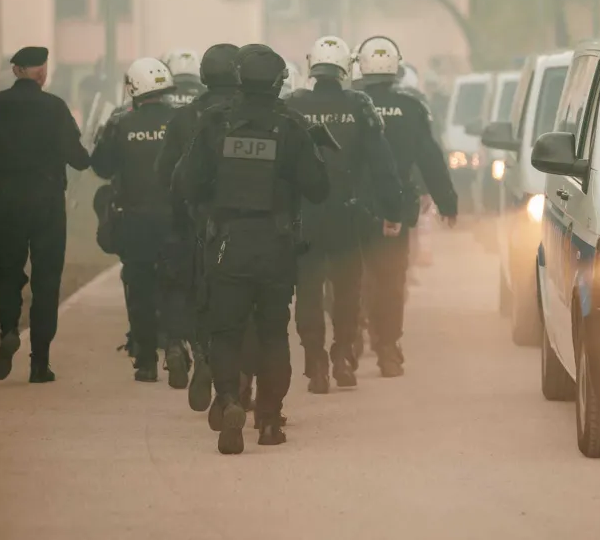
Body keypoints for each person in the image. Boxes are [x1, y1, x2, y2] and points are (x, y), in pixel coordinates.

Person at [175, 45, 330, 453]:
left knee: (225, 332)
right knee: (273, 333)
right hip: (276, 247)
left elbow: (184, 185)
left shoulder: (214, 124)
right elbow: (318, 189)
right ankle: (269, 420)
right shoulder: (292, 126)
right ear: (280, 83)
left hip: (226, 244)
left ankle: (228, 400)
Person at [0, 46, 90, 383]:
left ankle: (8, 328)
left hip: (8, 200)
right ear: (42, 73)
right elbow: (79, 159)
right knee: (47, 280)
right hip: (48, 201)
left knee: (6, 269)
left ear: (16, 71)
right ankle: (39, 362)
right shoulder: (55, 108)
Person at [285, 36, 403, 393]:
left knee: (307, 290)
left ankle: (315, 362)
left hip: (304, 216)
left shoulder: (292, 106)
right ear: (346, 68)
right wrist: (392, 209)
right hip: (346, 215)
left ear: (312, 67)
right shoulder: (359, 105)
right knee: (348, 290)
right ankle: (341, 355)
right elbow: (383, 165)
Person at [355, 37, 458, 376]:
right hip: (394, 207)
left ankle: (350, 341)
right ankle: (387, 348)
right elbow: (430, 157)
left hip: (350, 206)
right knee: (391, 279)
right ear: (396, 67)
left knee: (350, 275)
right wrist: (447, 201)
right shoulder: (411, 107)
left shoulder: (349, 103)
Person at [91, 57, 190, 385]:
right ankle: (176, 343)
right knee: (177, 285)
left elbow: (102, 168)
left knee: (140, 290)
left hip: (135, 221)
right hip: (175, 219)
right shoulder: (181, 120)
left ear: (133, 88)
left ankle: (146, 360)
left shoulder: (121, 123)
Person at [155, 43, 240, 411]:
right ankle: (233, 378)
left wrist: (179, 221)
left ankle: (201, 352)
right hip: (241, 224)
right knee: (238, 300)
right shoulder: (253, 114)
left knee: (196, 293)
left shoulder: (183, 117)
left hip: (193, 223)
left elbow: (165, 175)